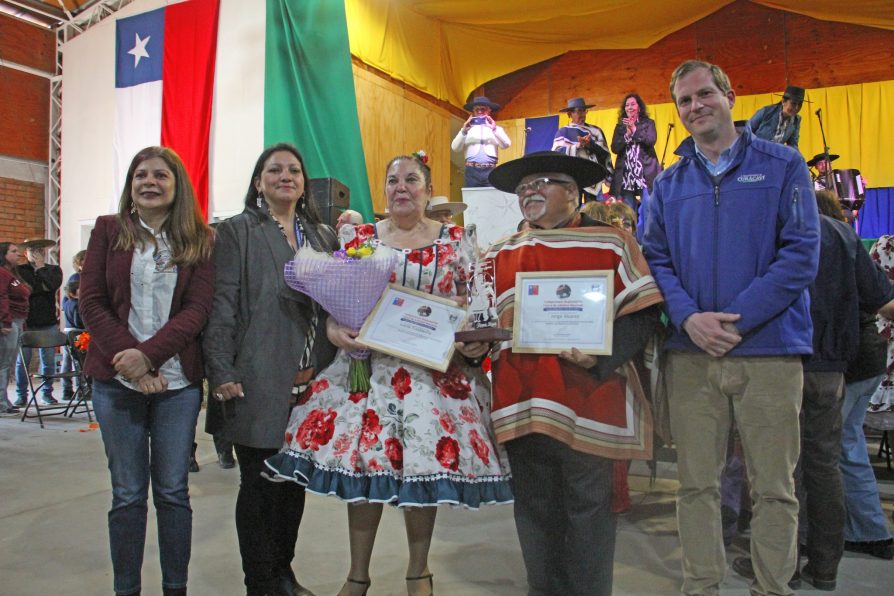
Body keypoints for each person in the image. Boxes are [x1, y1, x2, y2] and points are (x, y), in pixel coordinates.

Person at [264, 153, 512, 596]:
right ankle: (358, 574)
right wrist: (336, 329)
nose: (401, 187)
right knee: (364, 473)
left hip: (432, 377)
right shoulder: (360, 238)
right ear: (383, 190)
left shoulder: (455, 240)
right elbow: (332, 301)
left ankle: (419, 571)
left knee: (423, 473)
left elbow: (475, 302)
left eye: (411, 179)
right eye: (392, 179)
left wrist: (474, 337)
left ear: (428, 187)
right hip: (368, 374)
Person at [642, 60, 820, 596]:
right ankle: (701, 585)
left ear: (730, 95)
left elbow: (801, 254)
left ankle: (772, 588)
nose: (695, 108)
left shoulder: (784, 164)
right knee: (695, 486)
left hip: (769, 354)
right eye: (684, 102)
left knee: (775, 490)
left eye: (704, 95)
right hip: (692, 355)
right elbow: (656, 259)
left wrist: (736, 321)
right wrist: (689, 318)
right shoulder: (668, 184)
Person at [485, 152, 663, 595]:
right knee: (533, 512)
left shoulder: (613, 242)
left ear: (573, 192)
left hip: (588, 399)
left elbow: (643, 315)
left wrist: (601, 358)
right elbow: (484, 322)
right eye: (524, 186)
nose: (529, 191)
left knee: (589, 513)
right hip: (522, 404)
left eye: (543, 182)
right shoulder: (499, 253)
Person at [731, 189, 894, 590]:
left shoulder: (766, 233)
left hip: (780, 363)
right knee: (824, 467)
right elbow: (881, 299)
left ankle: (778, 566)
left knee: (778, 471)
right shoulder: (842, 234)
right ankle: (824, 568)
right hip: (831, 369)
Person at [203, 143, 338, 596]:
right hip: (256, 377)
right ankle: (259, 582)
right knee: (259, 486)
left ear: (304, 183)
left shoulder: (323, 237)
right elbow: (221, 306)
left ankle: (284, 573)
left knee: (293, 485)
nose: (286, 176)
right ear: (258, 182)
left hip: (311, 382)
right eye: (274, 170)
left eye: (294, 170)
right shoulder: (236, 232)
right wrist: (221, 369)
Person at [79, 146, 215, 596]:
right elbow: (92, 302)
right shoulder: (108, 230)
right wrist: (134, 363)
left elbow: (196, 310)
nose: (150, 182)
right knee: (128, 495)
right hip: (117, 383)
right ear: (130, 185)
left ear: (177, 186)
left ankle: (175, 588)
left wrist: (150, 356)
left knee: (173, 492)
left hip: (177, 386)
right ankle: (127, 590)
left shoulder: (198, 239)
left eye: (161, 175)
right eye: (141, 175)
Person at [13, 238, 63, 406]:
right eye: (32, 250)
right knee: (23, 362)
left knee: (48, 361)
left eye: (40, 250)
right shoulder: (19, 270)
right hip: (27, 322)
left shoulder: (53, 270)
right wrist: (40, 286)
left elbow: (52, 286)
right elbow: (27, 290)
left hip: (47, 321)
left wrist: (41, 268)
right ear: (25, 253)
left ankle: (47, 393)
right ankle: (21, 394)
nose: (36, 253)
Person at [552, 97, 613, 200]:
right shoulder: (563, 132)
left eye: (583, 110)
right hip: (573, 179)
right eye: (578, 111)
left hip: (594, 177)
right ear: (569, 114)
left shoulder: (596, 131)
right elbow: (557, 155)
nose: (582, 114)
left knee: (595, 212)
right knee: (574, 211)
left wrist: (590, 145)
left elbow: (605, 155)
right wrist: (577, 147)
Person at [609, 93, 660, 217]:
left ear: (639, 108)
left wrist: (634, 130)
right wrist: (626, 135)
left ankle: (648, 236)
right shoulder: (620, 127)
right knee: (628, 213)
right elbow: (615, 148)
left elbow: (651, 140)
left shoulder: (648, 123)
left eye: (633, 104)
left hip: (645, 175)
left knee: (649, 210)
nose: (629, 107)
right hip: (626, 175)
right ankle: (631, 236)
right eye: (627, 105)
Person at [451, 96, 511, 188]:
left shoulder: (497, 129)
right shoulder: (467, 129)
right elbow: (455, 148)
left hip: (490, 170)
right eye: (477, 109)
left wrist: (494, 129)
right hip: (471, 171)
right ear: (473, 111)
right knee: (471, 200)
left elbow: (506, 145)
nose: (480, 111)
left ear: (489, 110)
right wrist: (464, 131)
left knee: (491, 199)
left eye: (483, 109)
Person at [1, 242, 30, 414]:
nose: (17, 254)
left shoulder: (12, 274)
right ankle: (1, 403)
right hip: (8, 322)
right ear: (3, 254)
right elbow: (1, 298)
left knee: (8, 364)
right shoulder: (2, 273)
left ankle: (4, 401)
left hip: (17, 321)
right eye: (13, 252)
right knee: (3, 364)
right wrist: (5, 322)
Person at [60, 250, 87, 400]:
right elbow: (75, 316)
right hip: (76, 330)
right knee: (74, 361)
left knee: (73, 360)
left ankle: (79, 389)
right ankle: (71, 389)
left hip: (74, 328)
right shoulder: (75, 279)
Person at [748, 85, 805, 149]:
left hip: (775, 156)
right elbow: (747, 131)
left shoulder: (796, 120)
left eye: (800, 104)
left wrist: (797, 157)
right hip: (756, 151)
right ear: (783, 101)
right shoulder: (766, 112)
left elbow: (793, 144)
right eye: (793, 103)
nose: (797, 108)